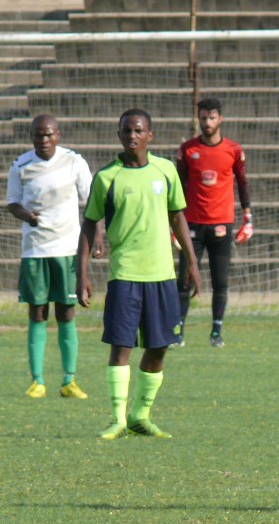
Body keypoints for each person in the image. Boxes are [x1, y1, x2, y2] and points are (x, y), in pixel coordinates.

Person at [76, 108, 203, 439]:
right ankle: (117, 419)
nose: (132, 135)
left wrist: (191, 262)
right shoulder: (107, 177)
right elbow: (89, 224)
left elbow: (178, 217)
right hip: (125, 274)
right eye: (126, 130)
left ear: (150, 135)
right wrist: (82, 273)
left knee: (160, 346)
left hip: (161, 274)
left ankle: (140, 415)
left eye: (138, 130)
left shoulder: (165, 171)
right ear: (119, 135)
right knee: (121, 345)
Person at [7, 114, 93, 400]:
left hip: (67, 249)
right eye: (38, 135)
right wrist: (26, 216)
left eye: (48, 134)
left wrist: (97, 236)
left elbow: (92, 202)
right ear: (31, 136)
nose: (43, 140)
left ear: (58, 135)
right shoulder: (21, 165)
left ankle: (69, 380)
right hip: (35, 250)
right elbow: (12, 203)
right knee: (37, 312)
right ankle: (37, 380)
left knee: (66, 312)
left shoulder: (74, 162)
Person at [174, 97, 252, 348]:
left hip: (221, 225)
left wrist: (248, 218)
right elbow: (178, 186)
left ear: (220, 119)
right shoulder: (187, 149)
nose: (207, 122)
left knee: (220, 281)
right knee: (184, 279)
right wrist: (173, 224)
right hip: (191, 225)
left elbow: (242, 183)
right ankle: (177, 331)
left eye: (212, 118)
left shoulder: (234, 150)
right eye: (204, 118)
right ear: (198, 119)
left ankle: (216, 332)